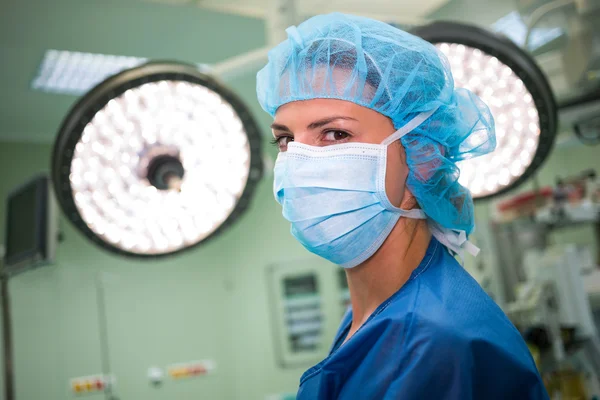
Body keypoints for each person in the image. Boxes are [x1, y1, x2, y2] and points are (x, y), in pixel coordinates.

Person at [256, 12, 549, 399]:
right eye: (284, 139)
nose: (298, 163)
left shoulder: (433, 345)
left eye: (334, 133)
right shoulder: (381, 314)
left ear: (422, 157)